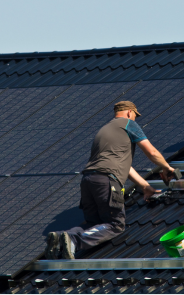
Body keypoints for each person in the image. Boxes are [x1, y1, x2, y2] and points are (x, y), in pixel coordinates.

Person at [44, 101, 176, 259]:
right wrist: (167, 168)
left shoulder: (105, 130)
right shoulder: (128, 124)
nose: (135, 119)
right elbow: (152, 153)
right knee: (115, 225)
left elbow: (124, 166)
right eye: (135, 115)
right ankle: (74, 240)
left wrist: (145, 187)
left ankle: (60, 237)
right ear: (129, 113)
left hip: (88, 180)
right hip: (106, 181)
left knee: (94, 225)